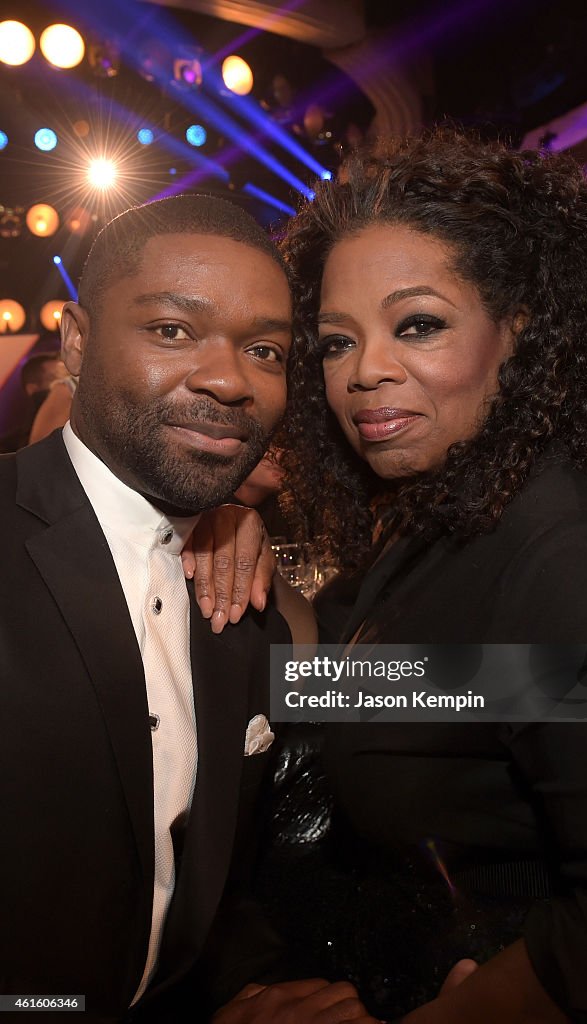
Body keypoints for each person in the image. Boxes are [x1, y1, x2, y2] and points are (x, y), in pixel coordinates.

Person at [192, 130, 587, 1022]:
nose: (366, 373)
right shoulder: (454, 522)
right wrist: (224, 538)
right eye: (337, 343)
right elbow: (360, 686)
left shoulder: (575, 556)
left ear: (522, 333)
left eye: (418, 324)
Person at [0, 194, 372, 1024]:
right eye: (172, 330)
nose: (229, 379)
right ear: (78, 341)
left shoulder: (241, 595)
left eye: (266, 350)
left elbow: (399, 693)